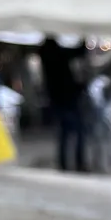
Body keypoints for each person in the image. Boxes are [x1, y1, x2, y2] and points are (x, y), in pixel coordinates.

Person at [39, 36, 88, 173]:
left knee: (64, 133)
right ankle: (78, 162)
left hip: (58, 98)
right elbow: (75, 53)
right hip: (69, 97)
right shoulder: (57, 54)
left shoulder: (46, 52)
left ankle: (64, 163)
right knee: (78, 131)